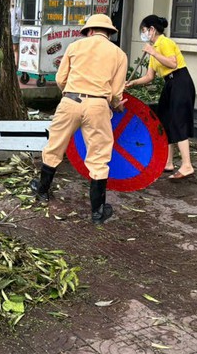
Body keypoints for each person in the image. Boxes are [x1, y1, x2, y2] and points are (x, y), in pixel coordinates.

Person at [31, 14, 127, 225]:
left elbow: (60, 79)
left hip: (70, 101)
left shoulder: (75, 47)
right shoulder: (119, 54)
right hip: (98, 105)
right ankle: (97, 212)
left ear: (90, 31)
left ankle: (43, 191)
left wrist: (71, 93)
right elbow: (116, 93)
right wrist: (116, 103)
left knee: (55, 146)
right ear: (108, 33)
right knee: (99, 155)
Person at [126, 15, 196, 180]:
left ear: (152, 29)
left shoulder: (164, 42)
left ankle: (187, 165)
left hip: (181, 81)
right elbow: (149, 77)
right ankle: (168, 162)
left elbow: (173, 64)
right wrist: (131, 83)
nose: (143, 34)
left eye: (144, 30)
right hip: (169, 84)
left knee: (178, 121)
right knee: (165, 121)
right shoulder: (154, 48)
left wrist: (153, 52)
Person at [10, 0, 22, 67]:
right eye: (11, 0)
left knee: (15, 48)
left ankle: (15, 64)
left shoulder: (18, 9)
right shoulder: (8, 10)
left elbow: (20, 20)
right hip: (9, 31)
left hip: (15, 31)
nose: (12, 1)